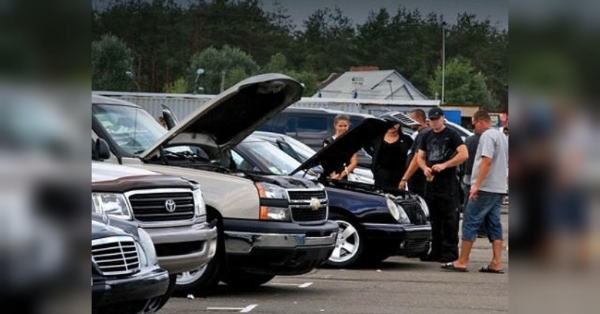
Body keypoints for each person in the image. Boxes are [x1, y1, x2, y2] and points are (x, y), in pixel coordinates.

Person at [441, 110, 507, 273]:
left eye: (474, 123)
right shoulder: (502, 137)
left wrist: (476, 185)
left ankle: (462, 261)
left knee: (470, 220)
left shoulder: (487, 136)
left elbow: (486, 160)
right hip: (498, 186)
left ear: (480, 121)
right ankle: (496, 262)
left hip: (485, 187)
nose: (473, 127)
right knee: (494, 223)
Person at [416, 107, 468, 263]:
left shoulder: (452, 135)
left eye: (436, 119)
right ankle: (436, 250)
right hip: (431, 183)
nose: (434, 122)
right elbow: (420, 157)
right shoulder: (427, 136)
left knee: (449, 219)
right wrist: (425, 168)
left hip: (447, 183)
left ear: (442, 118)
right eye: (431, 120)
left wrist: (445, 165)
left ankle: (450, 251)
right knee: (434, 218)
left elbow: (464, 154)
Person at [365, 119, 412, 189]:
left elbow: (414, 153)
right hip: (381, 174)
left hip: (399, 175)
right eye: (389, 123)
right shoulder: (378, 138)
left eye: (395, 123)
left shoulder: (406, 139)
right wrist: (373, 154)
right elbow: (365, 144)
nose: (392, 126)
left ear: (399, 124)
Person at [460, 131, 487, 238]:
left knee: (468, 202)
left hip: (468, 174)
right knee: (482, 204)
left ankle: (467, 228)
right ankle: (481, 229)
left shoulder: (468, 140)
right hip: (482, 175)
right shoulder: (486, 141)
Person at [398, 109, 429, 197]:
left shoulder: (423, 134)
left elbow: (417, 158)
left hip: (418, 178)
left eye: (411, 119)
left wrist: (405, 178)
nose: (409, 122)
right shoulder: (422, 133)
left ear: (419, 119)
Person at [323, 114, 358, 180]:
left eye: (345, 126)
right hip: (331, 174)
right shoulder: (328, 141)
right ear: (335, 126)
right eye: (340, 126)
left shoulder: (351, 142)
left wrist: (342, 175)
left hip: (346, 174)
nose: (343, 128)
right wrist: (333, 175)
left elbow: (354, 162)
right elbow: (326, 161)